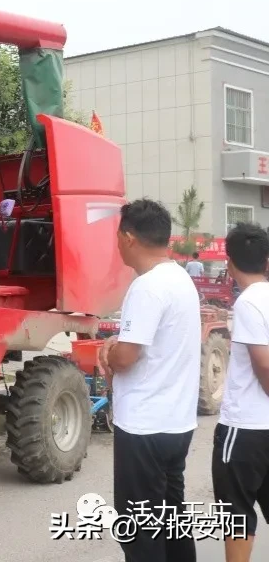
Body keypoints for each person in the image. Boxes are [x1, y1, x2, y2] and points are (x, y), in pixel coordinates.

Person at [98, 198, 201, 562]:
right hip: (177, 425)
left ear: (128, 238)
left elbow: (126, 358)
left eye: (116, 235)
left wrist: (108, 351)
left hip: (145, 428)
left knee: (140, 531)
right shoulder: (180, 278)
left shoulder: (147, 287)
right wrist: (118, 344)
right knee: (172, 520)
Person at [213, 222, 269, 562]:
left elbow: (263, 365)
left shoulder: (248, 303)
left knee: (236, 515)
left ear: (230, 263)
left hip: (245, 429)